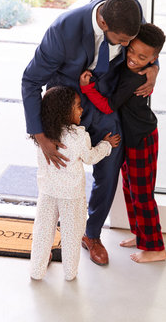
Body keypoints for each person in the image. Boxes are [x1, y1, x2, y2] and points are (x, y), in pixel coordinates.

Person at [22, 0, 159, 266]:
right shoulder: (63, 30)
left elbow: (149, 46)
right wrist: (40, 136)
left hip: (105, 105)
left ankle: (91, 234)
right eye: (123, 41)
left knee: (109, 170)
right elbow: (31, 80)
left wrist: (154, 66)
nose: (127, 45)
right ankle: (49, 238)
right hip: (67, 105)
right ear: (104, 24)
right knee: (57, 176)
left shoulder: (131, 13)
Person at [80, 23, 166, 263]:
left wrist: (88, 90)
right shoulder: (136, 68)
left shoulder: (135, 78)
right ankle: (142, 236)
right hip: (134, 137)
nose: (134, 59)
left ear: (154, 58)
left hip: (142, 139)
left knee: (142, 194)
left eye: (143, 57)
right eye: (132, 52)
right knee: (130, 188)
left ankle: (156, 248)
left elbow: (109, 106)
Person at [29, 86, 121, 280]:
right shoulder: (79, 136)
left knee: (42, 232)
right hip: (72, 196)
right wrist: (105, 145)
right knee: (72, 235)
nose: (82, 110)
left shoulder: (43, 135)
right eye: (78, 106)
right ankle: (70, 273)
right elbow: (90, 157)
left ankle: (36, 271)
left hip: (47, 192)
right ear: (64, 111)